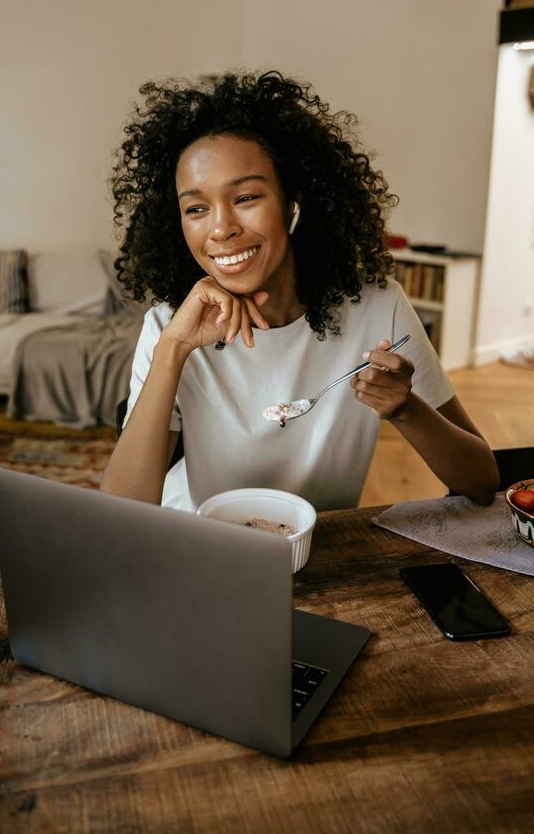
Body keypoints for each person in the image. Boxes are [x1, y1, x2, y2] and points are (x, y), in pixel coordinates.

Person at [100, 71, 498, 510]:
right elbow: (121, 514)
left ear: (293, 202)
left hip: (321, 552)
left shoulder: (377, 310)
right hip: (204, 540)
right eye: (196, 208)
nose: (221, 228)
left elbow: (482, 482)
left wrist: (406, 410)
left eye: (247, 198)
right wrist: (172, 350)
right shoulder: (170, 327)